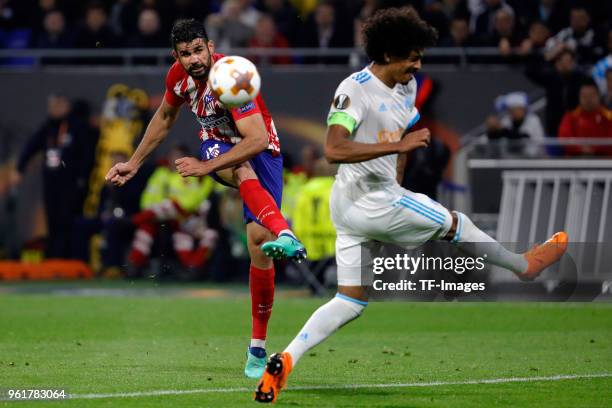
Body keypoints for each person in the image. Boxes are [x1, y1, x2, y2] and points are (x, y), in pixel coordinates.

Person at [254, 7, 568, 403]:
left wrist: (399, 166)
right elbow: (334, 148)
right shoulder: (356, 89)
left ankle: (284, 361)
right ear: (386, 53)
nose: (417, 63)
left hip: (365, 202)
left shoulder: (407, 85)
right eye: (411, 56)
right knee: (455, 222)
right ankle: (525, 266)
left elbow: (406, 128)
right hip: (368, 200)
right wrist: (397, 150)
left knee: (350, 299)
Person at [104, 19, 306, 379]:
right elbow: (164, 118)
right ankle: (285, 232)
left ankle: (257, 346)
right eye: (186, 54)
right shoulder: (177, 79)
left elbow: (256, 139)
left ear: (211, 47)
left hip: (262, 150)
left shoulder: (232, 76)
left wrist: (205, 166)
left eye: (199, 50)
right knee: (241, 171)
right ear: (176, 56)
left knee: (259, 246)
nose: (194, 59)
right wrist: (133, 163)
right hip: (220, 146)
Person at [558, 80, 612, 156]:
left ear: (598, 96)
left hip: (604, 161)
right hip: (575, 161)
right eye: (584, 96)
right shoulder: (570, 117)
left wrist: (594, 149)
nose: (588, 99)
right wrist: (580, 148)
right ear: (579, 97)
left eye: (591, 96)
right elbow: (564, 138)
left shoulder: (609, 117)